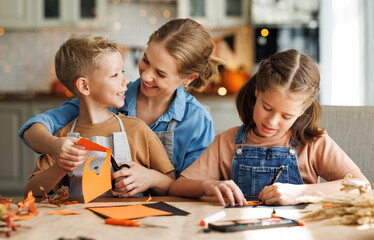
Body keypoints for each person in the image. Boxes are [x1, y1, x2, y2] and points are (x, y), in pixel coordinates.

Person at [19, 18, 224, 179]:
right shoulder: (110, 98)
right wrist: (53, 145)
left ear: (188, 78)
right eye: (145, 60)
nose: (144, 75)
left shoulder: (197, 120)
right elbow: (34, 128)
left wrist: (153, 178)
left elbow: (194, 183)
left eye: (160, 74)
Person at [169, 49, 369, 206]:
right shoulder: (227, 142)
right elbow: (178, 187)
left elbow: (362, 186)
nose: (272, 122)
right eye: (267, 107)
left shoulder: (313, 143)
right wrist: (208, 185)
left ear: (303, 110)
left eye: (286, 116)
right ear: (257, 91)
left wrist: (300, 193)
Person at [24, 35, 174, 197]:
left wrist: (150, 178)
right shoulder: (63, 139)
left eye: (122, 72)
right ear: (84, 86)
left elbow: (171, 184)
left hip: (132, 220)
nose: (126, 81)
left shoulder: (137, 130)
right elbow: (31, 192)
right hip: (80, 221)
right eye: (115, 75)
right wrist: (61, 167)